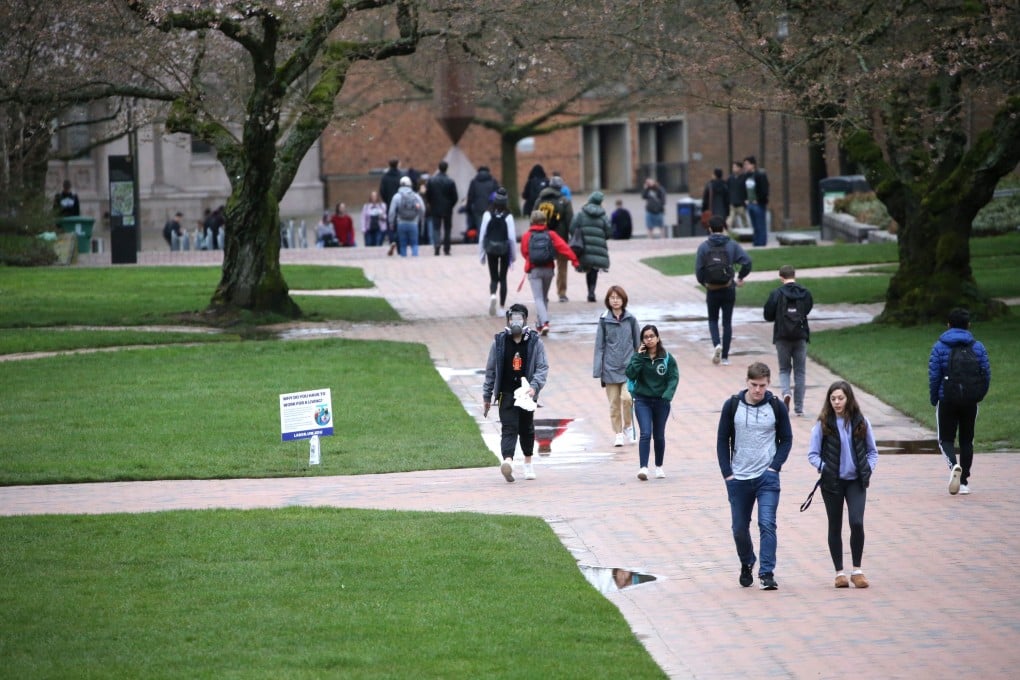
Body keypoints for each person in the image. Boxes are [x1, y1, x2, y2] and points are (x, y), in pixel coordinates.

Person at [717, 362, 792, 590]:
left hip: (766, 477)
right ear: (746, 382)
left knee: (767, 523)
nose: (758, 390)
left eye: (763, 385)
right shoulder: (732, 406)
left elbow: (786, 439)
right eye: (754, 385)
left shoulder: (776, 407)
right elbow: (722, 440)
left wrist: (775, 467)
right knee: (739, 528)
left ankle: (767, 572)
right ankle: (747, 561)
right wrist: (727, 474)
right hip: (738, 477)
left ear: (769, 384)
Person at [807, 380, 879, 589]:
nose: (837, 402)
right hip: (832, 483)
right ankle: (839, 572)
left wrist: (868, 468)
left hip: (856, 481)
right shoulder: (823, 424)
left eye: (841, 398)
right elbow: (812, 454)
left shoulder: (861, 422)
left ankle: (857, 570)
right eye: (833, 399)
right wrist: (825, 467)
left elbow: (872, 451)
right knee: (835, 524)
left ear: (848, 399)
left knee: (856, 522)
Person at [482, 303, 549, 483]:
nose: (516, 322)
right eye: (513, 318)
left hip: (526, 393)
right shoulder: (499, 342)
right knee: (509, 427)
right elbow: (490, 370)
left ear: (525, 320)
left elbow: (542, 368)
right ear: (508, 320)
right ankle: (508, 462)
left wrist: (534, 386)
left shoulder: (535, 342)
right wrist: (487, 395)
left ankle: (528, 463)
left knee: (526, 428)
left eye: (519, 318)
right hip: (506, 392)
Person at [928, 307, 991, 495]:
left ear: (948, 325)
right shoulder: (977, 347)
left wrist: (934, 398)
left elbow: (934, 376)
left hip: (946, 398)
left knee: (945, 439)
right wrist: (978, 395)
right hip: (970, 400)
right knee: (967, 440)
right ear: (968, 325)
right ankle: (963, 482)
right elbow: (986, 374)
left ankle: (954, 467)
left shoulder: (939, 347)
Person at [695, 216, 753, 366]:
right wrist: (740, 277)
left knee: (713, 320)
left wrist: (705, 283)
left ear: (709, 229)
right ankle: (726, 356)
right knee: (727, 322)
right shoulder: (732, 245)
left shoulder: (704, 247)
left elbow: (699, 271)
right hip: (728, 288)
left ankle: (716, 345)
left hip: (712, 290)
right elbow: (747, 261)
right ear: (724, 228)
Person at [626, 324, 679, 481]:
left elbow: (673, 378)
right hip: (642, 400)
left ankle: (659, 466)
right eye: (645, 337)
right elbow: (630, 373)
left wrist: (667, 395)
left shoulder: (667, 358)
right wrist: (638, 357)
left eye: (651, 336)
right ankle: (643, 467)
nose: (649, 339)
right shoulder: (639, 356)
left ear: (657, 338)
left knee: (659, 435)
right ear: (642, 340)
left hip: (661, 401)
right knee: (645, 433)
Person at [763, 265, 814, 416]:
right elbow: (807, 309)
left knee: (784, 369)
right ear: (794, 275)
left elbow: (767, 315)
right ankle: (799, 408)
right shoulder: (805, 293)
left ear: (781, 277)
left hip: (782, 337)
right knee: (800, 372)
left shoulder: (776, 294)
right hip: (800, 336)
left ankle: (786, 393)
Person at [593, 285, 641, 448]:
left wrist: (640, 365)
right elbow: (599, 345)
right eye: (612, 298)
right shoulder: (604, 319)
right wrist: (597, 369)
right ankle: (618, 433)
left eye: (618, 297)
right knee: (614, 403)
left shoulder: (631, 319)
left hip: (628, 368)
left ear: (623, 300)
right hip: (609, 368)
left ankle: (628, 426)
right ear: (608, 300)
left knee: (627, 399)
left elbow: (638, 344)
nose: (615, 300)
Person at [521, 210, 579, 335]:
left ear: (532, 221)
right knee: (544, 297)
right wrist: (574, 260)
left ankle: (545, 322)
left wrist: (530, 260)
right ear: (544, 221)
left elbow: (524, 251)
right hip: (548, 269)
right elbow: (563, 247)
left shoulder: (527, 236)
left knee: (538, 298)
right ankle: (540, 324)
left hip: (534, 269)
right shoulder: (551, 234)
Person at [534, 176, 574, 302]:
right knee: (562, 266)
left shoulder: (540, 200)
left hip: (542, 238)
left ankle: (543, 293)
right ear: (560, 187)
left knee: (544, 265)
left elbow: (533, 218)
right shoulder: (564, 201)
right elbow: (570, 221)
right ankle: (561, 293)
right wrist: (571, 237)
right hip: (560, 239)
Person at [478, 188, 517, 316]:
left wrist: (482, 254)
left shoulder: (487, 214)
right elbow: (511, 238)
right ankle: (501, 307)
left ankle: (493, 295)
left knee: (493, 276)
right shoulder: (508, 216)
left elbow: (482, 234)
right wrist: (514, 256)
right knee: (503, 277)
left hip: (491, 248)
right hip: (504, 249)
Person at [571, 191, 612, 302]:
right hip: (598, 246)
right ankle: (591, 292)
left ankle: (590, 291)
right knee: (594, 270)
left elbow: (572, 228)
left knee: (588, 268)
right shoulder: (603, 216)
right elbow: (609, 232)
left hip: (583, 246)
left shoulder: (581, 214)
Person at [425, 160, 459, 256]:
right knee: (447, 229)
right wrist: (450, 205)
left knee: (436, 228)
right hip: (447, 208)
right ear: (446, 168)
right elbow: (455, 197)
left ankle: (437, 246)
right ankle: (446, 249)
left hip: (435, 207)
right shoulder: (450, 181)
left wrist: (431, 203)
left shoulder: (431, 181)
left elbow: (428, 195)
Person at [388, 176, 424, 257]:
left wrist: (391, 223)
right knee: (414, 244)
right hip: (414, 223)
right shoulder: (416, 196)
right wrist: (420, 218)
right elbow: (422, 209)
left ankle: (404, 261)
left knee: (403, 245)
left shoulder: (397, 196)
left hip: (401, 223)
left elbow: (391, 212)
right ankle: (415, 261)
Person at [466, 165, 499, 244]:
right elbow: (497, 195)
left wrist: (468, 208)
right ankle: (490, 242)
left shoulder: (474, 182)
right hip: (491, 208)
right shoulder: (493, 182)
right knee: (490, 226)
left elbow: (470, 196)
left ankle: (481, 243)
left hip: (478, 208)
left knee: (480, 227)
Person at [743, 155, 770, 246]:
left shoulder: (760, 175)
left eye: (747, 164)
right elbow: (744, 189)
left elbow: (764, 189)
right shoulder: (746, 176)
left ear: (753, 165)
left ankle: (761, 242)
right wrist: (746, 199)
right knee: (754, 225)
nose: (745, 166)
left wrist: (758, 199)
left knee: (760, 224)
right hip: (750, 203)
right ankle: (756, 241)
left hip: (758, 204)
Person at [379, 159, 403, 254]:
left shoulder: (385, 177)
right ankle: (399, 246)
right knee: (400, 224)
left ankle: (392, 240)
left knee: (390, 223)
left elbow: (382, 191)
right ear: (397, 165)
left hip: (389, 203)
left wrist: (387, 200)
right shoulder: (401, 176)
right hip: (400, 204)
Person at [727, 161, 749, 231]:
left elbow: (747, 190)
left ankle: (747, 233)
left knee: (744, 220)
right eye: (733, 167)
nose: (734, 169)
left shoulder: (744, 178)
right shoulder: (730, 178)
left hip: (741, 204)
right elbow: (727, 190)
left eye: (735, 167)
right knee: (730, 220)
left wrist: (747, 200)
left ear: (740, 168)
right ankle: (727, 234)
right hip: (732, 203)